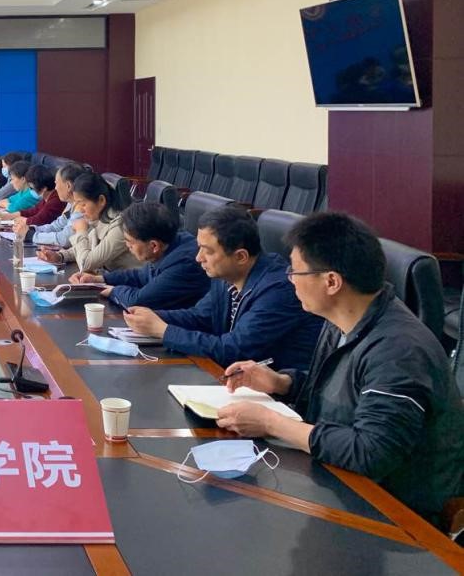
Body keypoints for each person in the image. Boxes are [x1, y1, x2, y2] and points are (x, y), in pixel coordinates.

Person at [216, 212, 464, 525]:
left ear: (331, 282)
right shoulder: (342, 320)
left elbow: (371, 453)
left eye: (295, 271)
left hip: (395, 516)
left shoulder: (399, 350)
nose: (289, 279)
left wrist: (271, 422)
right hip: (337, 481)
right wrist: (281, 383)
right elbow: (343, 395)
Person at [123, 206, 322, 370]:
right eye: (199, 248)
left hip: (277, 393)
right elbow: (200, 317)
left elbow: (234, 349)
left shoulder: (278, 291)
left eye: (207, 251)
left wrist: (163, 331)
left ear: (240, 256)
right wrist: (151, 317)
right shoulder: (226, 276)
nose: (198, 258)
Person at [73, 202, 210, 310]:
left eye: (130, 242)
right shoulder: (170, 243)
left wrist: (112, 291)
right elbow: (141, 276)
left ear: (154, 246)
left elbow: (138, 301)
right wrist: (100, 279)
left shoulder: (185, 263)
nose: (127, 246)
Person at [38, 171, 136, 273]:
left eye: (83, 204)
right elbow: (87, 247)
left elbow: (85, 263)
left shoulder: (120, 226)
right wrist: (60, 256)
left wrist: (81, 232)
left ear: (101, 200)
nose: (80, 210)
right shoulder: (99, 218)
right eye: (77, 204)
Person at [24, 163, 84, 245]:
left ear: (68, 186)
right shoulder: (71, 204)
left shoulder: (82, 208)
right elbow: (56, 226)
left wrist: (31, 236)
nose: (55, 188)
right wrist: (32, 229)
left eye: (56, 184)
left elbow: (65, 239)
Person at [11, 164, 65, 230]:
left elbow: (40, 220)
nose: (30, 191)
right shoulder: (47, 197)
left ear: (43, 188)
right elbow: (34, 210)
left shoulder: (56, 200)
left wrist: (24, 220)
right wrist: (10, 216)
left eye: (31, 188)